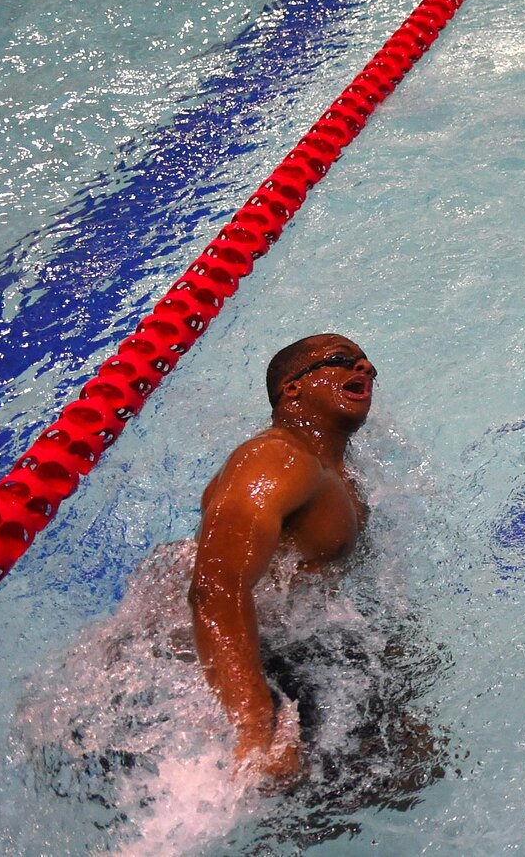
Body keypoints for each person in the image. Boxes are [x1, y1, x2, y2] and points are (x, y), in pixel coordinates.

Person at [188, 333, 377, 783]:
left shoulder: (343, 476)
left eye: (369, 365)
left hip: (291, 648)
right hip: (207, 663)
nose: (364, 369)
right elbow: (217, 588)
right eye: (342, 360)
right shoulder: (276, 459)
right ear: (292, 387)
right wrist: (256, 728)